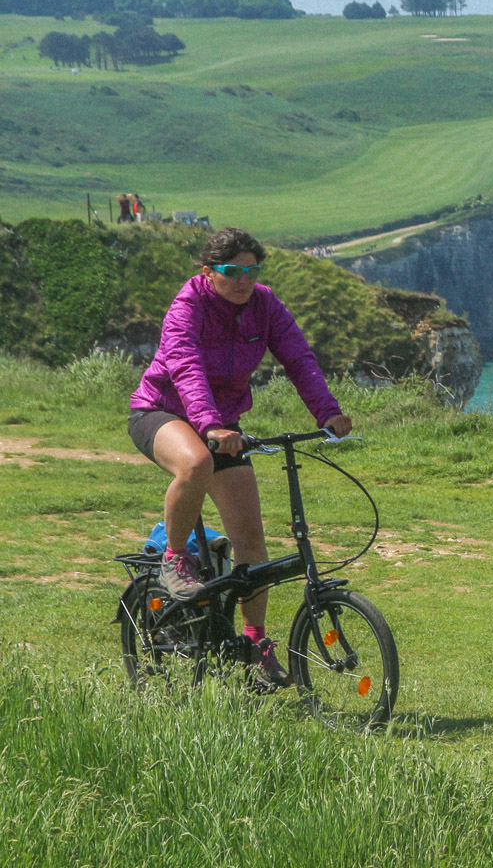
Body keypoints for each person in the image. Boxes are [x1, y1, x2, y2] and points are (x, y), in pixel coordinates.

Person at [127, 227, 352, 688]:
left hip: (222, 426)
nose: (244, 280)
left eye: (252, 270)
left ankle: (255, 644)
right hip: (163, 411)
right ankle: (175, 558)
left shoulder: (265, 305)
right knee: (195, 463)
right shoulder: (187, 305)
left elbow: (299, 360)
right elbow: (186, 364)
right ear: (208, 271)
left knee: (251, 542)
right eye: (233, 271)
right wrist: (210, 425)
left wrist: (328, 412)